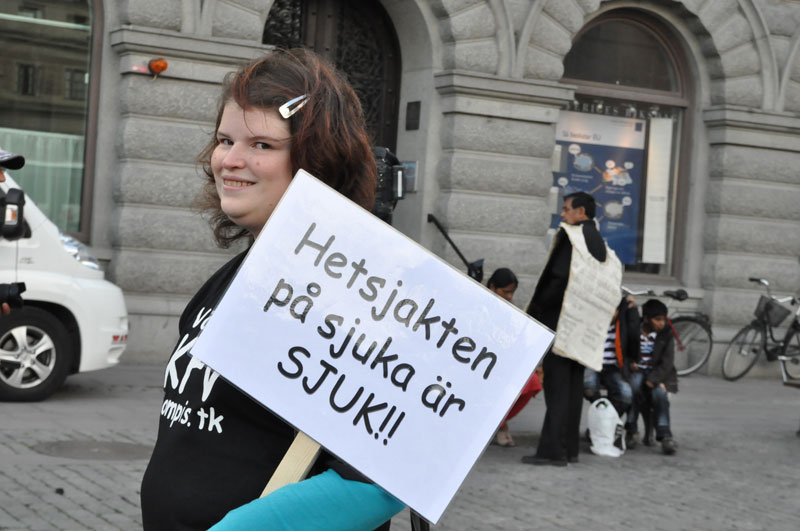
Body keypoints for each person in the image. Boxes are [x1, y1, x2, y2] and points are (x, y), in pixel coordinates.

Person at [139, 49, 404, 530]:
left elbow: (381, 478)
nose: (230, 160)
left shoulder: (349, 297)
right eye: (225, 140)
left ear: (317, 161)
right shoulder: (233, 277)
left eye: (261, 144)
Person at [521, 191, 622, 466]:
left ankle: (552, 451)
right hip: (584, 327)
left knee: (556, 389)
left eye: (566, 209)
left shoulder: (572, 236)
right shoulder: (600, 243)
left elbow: (558, 277)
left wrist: (538, 309)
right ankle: (569, 450)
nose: (562, 214)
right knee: (573, 388)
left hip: (561, 321)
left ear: (581, 213)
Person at [486, 268, 542, 447]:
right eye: (506, 292)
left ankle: (498, 422)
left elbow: (520, 343)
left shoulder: (512, 313)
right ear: (492, 287)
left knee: (533, 382)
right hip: (482, 364)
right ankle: (498, 425)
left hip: (506, 364)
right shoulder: (482, 306)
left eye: (512, 292)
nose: (510, 296)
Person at [626, 299, 678, 455]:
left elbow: (667, 362)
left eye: (663, 319)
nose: (661, 323)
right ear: (646, 319)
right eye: (657, 319)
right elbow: (625, 352)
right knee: (634, 386)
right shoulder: (634, 330)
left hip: (657, 374)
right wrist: (630, 363)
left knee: (659, 393)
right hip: (636, 372)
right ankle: (631, 429)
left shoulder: (666, 334)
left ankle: (665, 434)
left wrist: (653, 379)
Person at [583, 295, 639, 417]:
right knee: (588, 385)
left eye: (613, 311)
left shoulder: (622, 325)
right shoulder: (593, 323)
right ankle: (601, 412)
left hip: (613, 368)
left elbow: (634, 331)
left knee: (626, 394)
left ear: (618, 311)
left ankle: (610, 418)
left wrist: (632, 309)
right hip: (593, 365)